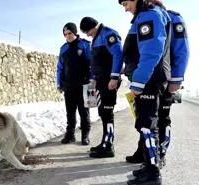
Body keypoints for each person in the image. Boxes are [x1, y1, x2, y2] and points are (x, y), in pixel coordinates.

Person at [125, 0, 190, 173]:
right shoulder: (144, 16)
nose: (125, 8)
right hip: (152, 76)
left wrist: (176, 79)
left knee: (156, 120)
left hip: (154, 77)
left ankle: (156, 159)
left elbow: (180, 50)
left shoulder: (159, 15)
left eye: (125, 3)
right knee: (149, 119)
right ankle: (148, 156)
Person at [119, 0, 172, 184]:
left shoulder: (149, 15)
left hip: (148, 79)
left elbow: (151, 52)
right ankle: (149, 167)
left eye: (126, 3)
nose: (125, 9)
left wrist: (139, 82)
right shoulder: (148, 15)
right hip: (149, 78)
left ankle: (153, 174)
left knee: (147, 125)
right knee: (147, 124)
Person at [79, 17, 123, 158]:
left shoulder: (108, 34)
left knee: (107, 112)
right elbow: (96, 62)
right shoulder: (96, 38)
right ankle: (105, 142)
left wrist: (114, 77)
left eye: (87, 31)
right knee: (103, 112)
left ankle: (108, 147)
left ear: (93, 27)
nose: (87, 35)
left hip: (109, 81)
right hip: (101, 81)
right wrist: (93, 78)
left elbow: (118, 54)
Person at [56, 22, 93, 145]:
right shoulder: (63, 49)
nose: (68, 36)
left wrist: (93, 81)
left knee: (84, 112)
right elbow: (60, 68)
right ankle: (70, 134)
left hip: (85, 86)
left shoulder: (85, 45)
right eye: (65, 34)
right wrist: (59, 84)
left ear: (75, 32)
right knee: (70, 113)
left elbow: (92, 65)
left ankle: (85, 135)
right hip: (69, 86)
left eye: (70, 33)